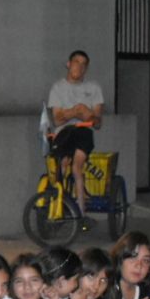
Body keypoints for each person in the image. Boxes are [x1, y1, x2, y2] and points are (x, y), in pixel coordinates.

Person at [47, 50, 103, 223]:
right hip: (64, 132)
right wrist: (77, 110)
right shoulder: (58, 87)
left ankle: (81, 213)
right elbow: (57, 118)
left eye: (83, 63)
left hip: (83, 131)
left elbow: (97, 121)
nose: (79, 66)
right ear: (68, 64)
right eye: (76, 62)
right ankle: (57, 208)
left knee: (77, 168)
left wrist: (86, 115)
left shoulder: (93, 88)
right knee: (61, 166)